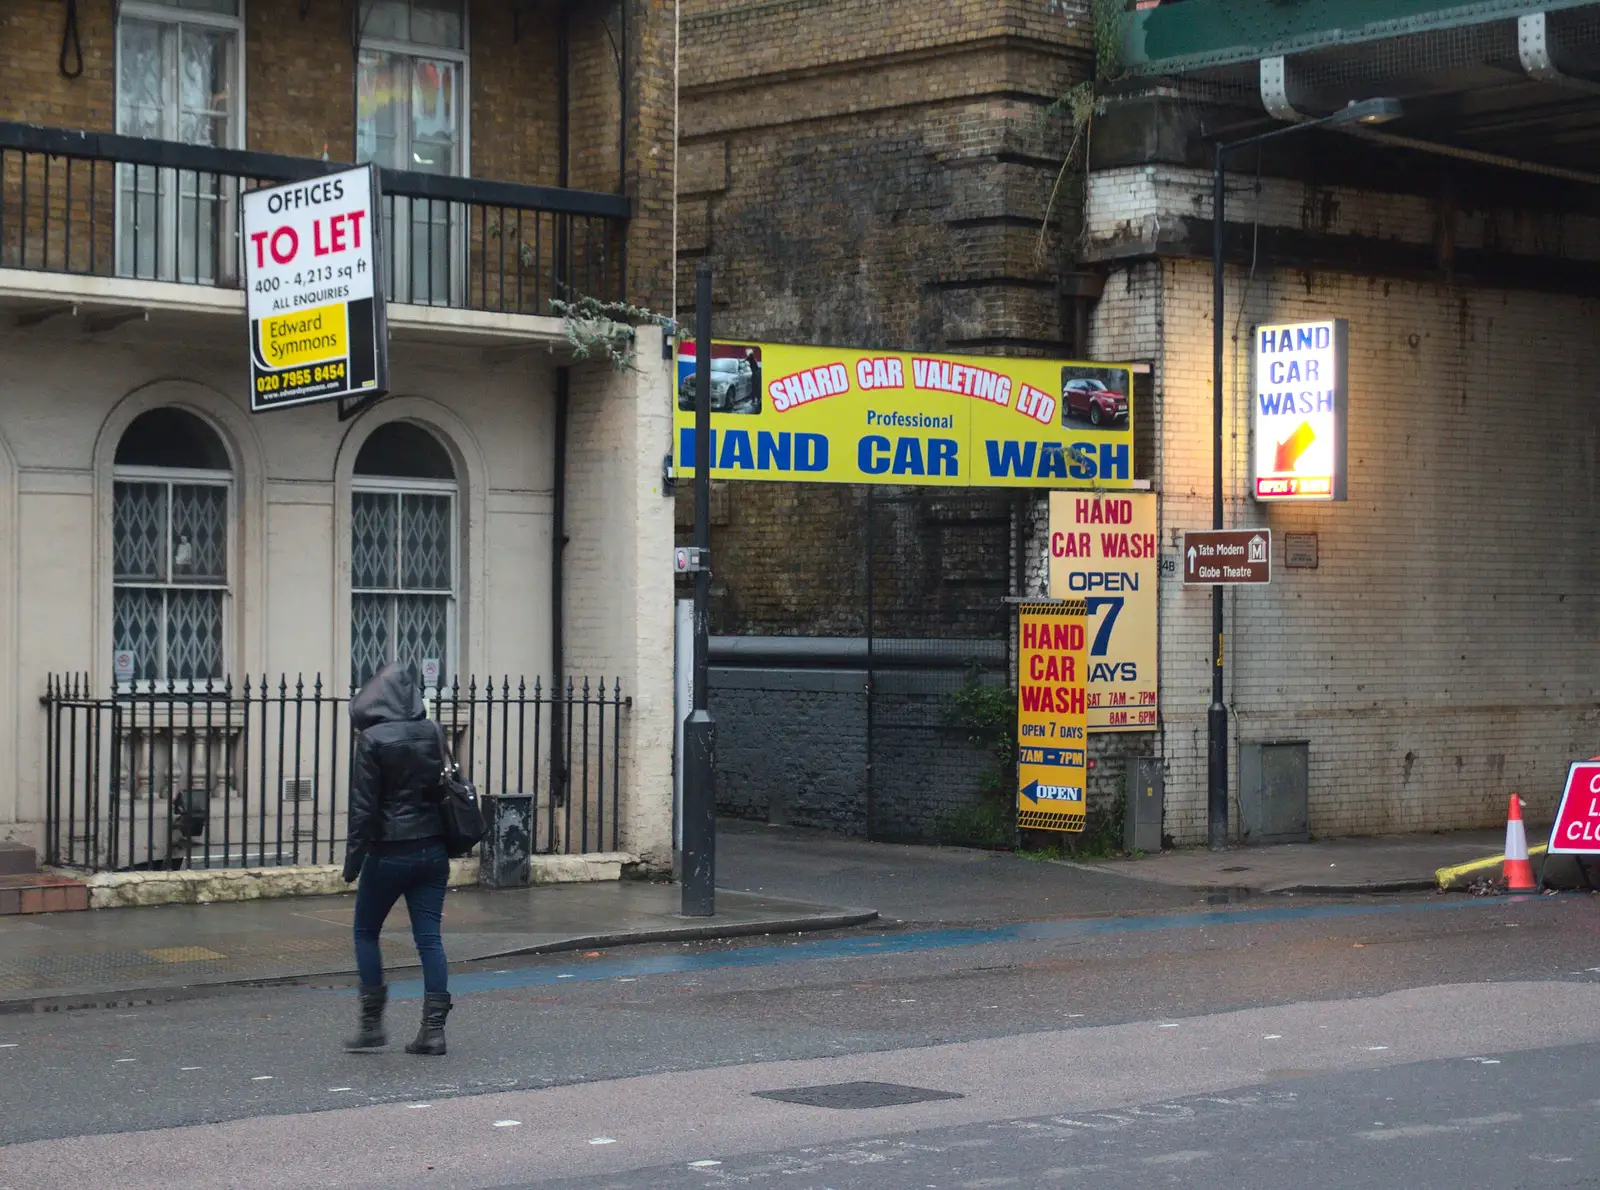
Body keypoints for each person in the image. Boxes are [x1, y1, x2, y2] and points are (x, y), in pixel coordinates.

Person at [341, 661, 453, 1055]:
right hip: (433, 850)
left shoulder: (372, 741)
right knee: (429, 939)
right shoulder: (433, 731)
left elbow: (363, 810)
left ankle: (372, 1025)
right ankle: (433, 1031)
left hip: (389, 852)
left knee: (366, 932)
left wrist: (353, 862)